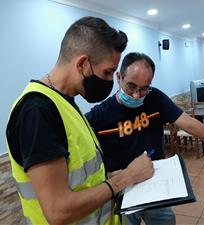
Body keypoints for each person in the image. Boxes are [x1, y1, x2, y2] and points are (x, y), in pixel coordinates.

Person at [6, 17, 154, 225]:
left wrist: (110, 177)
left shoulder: (65, 102)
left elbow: (78, 178)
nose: (112, 81)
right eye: (108, 72)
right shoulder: (37, 111)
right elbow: (58, 211)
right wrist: (127, 177)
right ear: (83, 64)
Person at [85, 52, 204, 225]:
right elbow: (79, 156)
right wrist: (106, 176)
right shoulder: (100, 116)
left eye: (144, 88)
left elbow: (192, 125)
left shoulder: (155, 98)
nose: (137, 95)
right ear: (118, 78)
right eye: (131, 86)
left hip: (156, 184)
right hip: (123, 191)